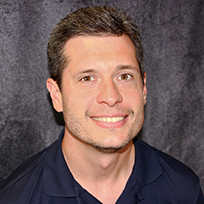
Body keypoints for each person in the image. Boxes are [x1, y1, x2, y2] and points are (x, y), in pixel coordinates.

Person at [0, 5, 203, 204]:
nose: (111, 96)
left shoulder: (184, 190)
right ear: (56, 95)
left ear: (143, 89)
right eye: (87, 78)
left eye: (124, 76)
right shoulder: (15, 198)